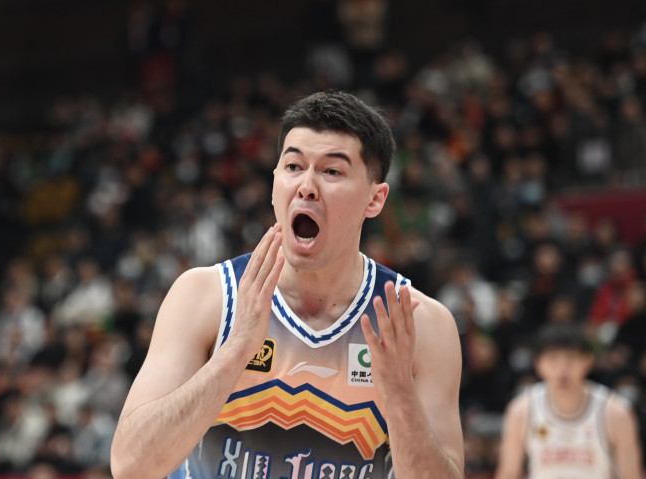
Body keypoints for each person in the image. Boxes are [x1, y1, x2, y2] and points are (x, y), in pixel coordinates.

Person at [110, 91, 464, 478]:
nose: (307, 185)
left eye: (332, 172)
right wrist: (235, 352)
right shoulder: (206, 296)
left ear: (375, 199)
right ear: (274, 182)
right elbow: (131, 466)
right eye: (293, 166)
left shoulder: (421, 323)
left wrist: (399, 395)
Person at [495, 322, 642, 479]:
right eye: (553, 359)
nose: (562, 369)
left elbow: (631, 475)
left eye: (571, 359)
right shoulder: (521, 410)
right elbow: (508, 473)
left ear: (588, 361)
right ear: (538, 364)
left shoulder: (616, 412)